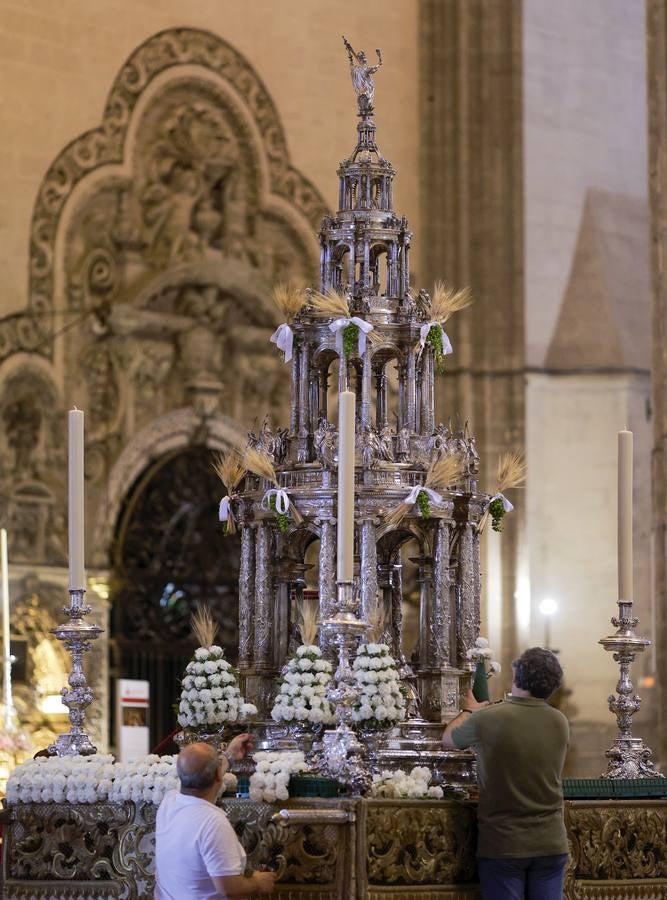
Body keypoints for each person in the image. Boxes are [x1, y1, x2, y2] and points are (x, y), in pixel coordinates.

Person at [442, 647, 569, 900]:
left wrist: (470, 710)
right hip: (551, 842)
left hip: (505, 843)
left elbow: (448, 739)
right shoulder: (560, 721)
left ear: (516, 675)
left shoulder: (489, 717)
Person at [155, 733, 276, 899]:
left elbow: (204, 785)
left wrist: (228, 756)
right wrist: (258, 882)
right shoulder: (212, 822)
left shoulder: (169, 801)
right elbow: (229, 888)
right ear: (219, 776)